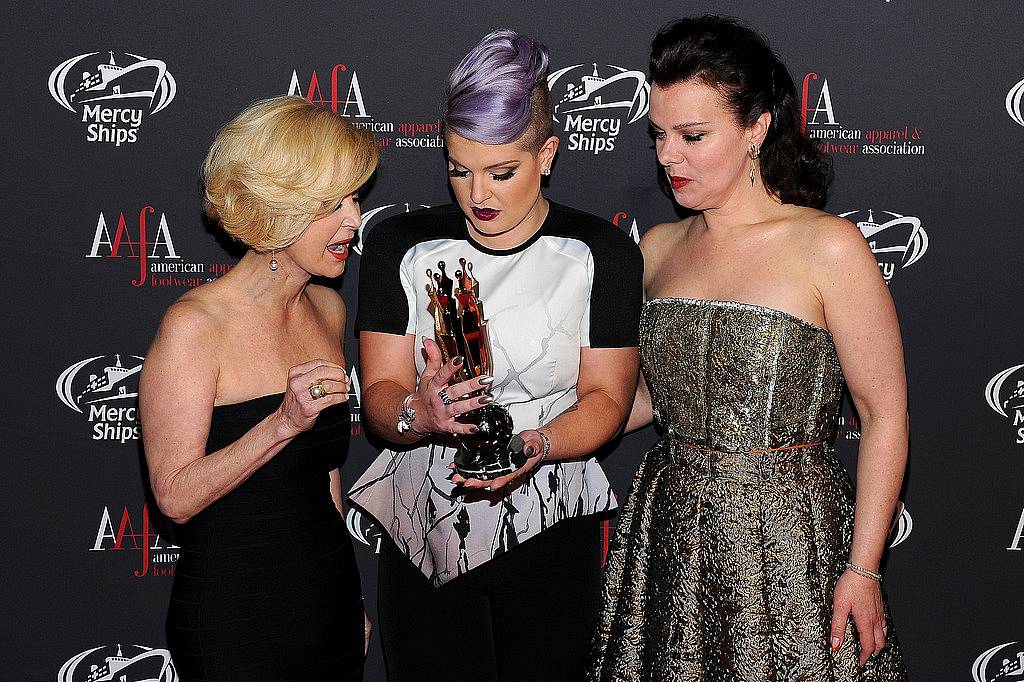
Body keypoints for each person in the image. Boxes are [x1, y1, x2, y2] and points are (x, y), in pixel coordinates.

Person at [591, 16, 908, 681]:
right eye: (659, 135)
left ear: (756, 128)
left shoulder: (828, 246)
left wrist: (863, 567)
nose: (668, 157)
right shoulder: (656, 249)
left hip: (789, 538)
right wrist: (545, 425)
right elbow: (646, 399)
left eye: (693, 136)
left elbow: (882, 415)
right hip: (669, 532)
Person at [349, 29, 643, 681]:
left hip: (547, 526)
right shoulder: (401, 244)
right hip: (425, 530)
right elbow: (380, 392)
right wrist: (416, 417)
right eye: (459, 169)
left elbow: (606, 400)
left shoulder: (601, 253)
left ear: (548, 155)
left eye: (500, 171)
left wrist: (535, 444)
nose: (477, 193)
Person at [139, 96, 377, 681]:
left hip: (327, 606)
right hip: (236, 618)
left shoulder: (325, 309)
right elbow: (174, 496)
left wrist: (348, 602)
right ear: (277, 212)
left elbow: (325, 477)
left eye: (353, 199)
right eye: (331, 205)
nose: (353, 220)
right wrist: (281, 424)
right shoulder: (195, 328)